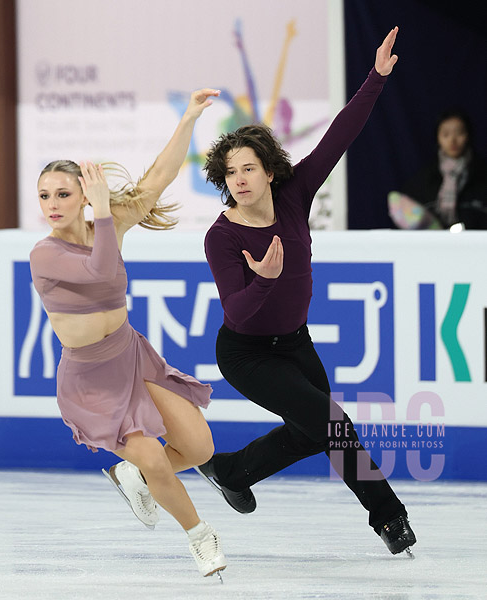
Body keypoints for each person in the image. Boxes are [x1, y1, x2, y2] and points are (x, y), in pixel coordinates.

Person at [194, 27, 417, 557]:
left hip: (295, 343)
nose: (241, 179)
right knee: (333, 424)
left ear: (270, 171)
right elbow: (239, 314)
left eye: (250, 168)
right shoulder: (221, 236)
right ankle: (391, 518)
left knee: (312, 430)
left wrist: (377, 78)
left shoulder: (294, 195)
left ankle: (232, 469)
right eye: (232, 173)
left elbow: (338, 136)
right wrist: (265, 279)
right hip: (246, 353)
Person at [29, 88, 227, 580]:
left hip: (133, 357)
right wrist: (99, 211)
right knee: (157, 459)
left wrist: (188, 120)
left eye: (62, 193)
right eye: (44, 196)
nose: (52, 204)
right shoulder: (44, 254)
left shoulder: (108, 221)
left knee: (200, 449)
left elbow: (158, 178)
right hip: (90, 380)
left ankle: (130, 474)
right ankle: (201, 537)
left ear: (82, 193)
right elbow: (99, 272)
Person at [399, 108, 487, 229]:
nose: (452, 140)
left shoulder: (482, 175)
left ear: (468, 135)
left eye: (459, 133)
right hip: (435, 246)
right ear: (438, 138)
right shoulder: (424, 180)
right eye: (446, 134)